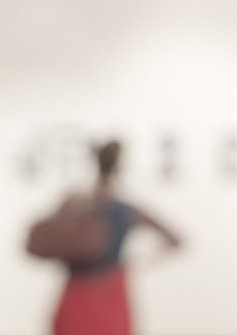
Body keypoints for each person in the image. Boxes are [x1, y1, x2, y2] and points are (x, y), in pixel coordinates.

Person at [47, 140, 182, 335]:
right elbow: (175, 239)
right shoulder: (125, 209)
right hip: (109, 291)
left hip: (75, 290)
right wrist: (137, 261)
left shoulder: (74, 203)